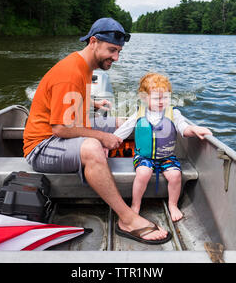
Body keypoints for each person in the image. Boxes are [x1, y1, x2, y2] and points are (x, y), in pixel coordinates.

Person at [23, 18, 172, 244]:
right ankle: (127, 219)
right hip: (42, 146)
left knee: (119, 121)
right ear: (93, 41)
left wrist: (92, 105)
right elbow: (61, 127)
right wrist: (102, 137)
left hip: (60, 134)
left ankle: (148, 154)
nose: (116, 58)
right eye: (112, 50)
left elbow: (65, 100)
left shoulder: (82, 66)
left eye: (119, 51)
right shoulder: (71, 72)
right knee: (94, 146)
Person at [113, 72, 212, 222]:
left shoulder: (174, 113)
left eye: (165, 97)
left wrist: (195, 129)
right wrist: (110, 141)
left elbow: (184, 129)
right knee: (143, 173)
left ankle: (173, 205)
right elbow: (124, 130)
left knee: (175, 175)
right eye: (156, 98)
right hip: (143, 156)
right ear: (145, 99)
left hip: (166, 156)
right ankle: (135, 205)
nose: (161, 101)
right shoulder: (139, 113)